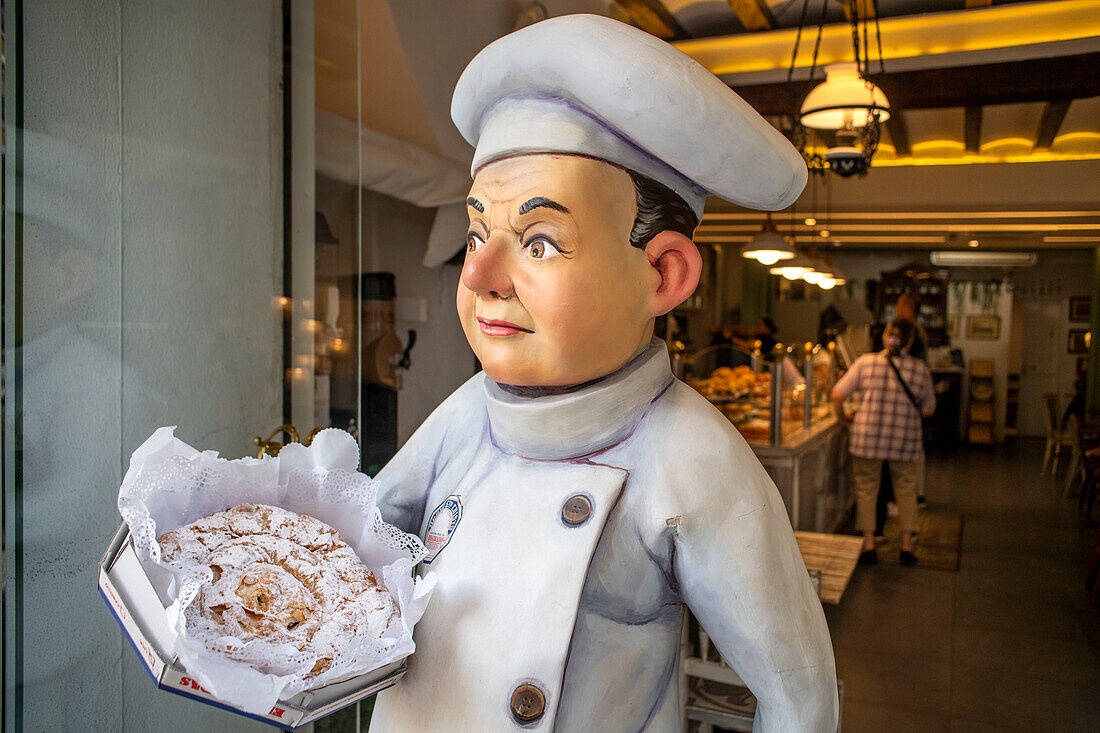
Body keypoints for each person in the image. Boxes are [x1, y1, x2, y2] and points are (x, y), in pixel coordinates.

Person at [369, 15, 838, 733]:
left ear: (663, 273)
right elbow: (358, 538)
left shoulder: (690, 456)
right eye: (476, 234)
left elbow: (799, 696)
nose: (480, 274)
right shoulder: (469, 412)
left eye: (540, 241)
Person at [832, 318, 935, 565]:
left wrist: (843, 418)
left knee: (867, 490)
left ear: (884, 337)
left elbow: (837, 394)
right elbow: (930, 408)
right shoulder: (920, 369)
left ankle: (868, 544)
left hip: (866, 438)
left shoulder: (864, 363)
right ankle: (907, 546)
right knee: (906, 490)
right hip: (904, 440)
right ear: (910, 341)